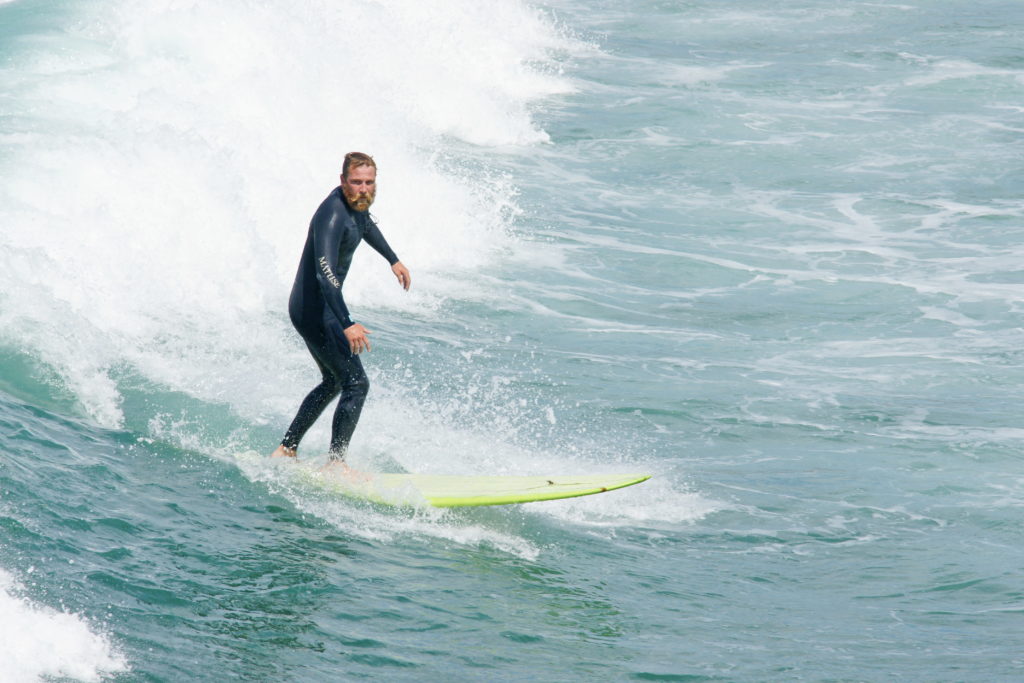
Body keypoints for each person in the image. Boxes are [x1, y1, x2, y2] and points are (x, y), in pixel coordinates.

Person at [270, 152, 410, 463]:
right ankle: (336, 463)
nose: (363, 189)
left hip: (320, 309)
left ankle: (286, 449)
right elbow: (324, 273)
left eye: (369, 183)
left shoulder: (356, 206)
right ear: (342, 181)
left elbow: (364, 225)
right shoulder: (331, 215)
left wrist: (393, 259)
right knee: (356, 383)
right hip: (314, 310)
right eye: (356, 182)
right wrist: (347, 322)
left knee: (334, 381)